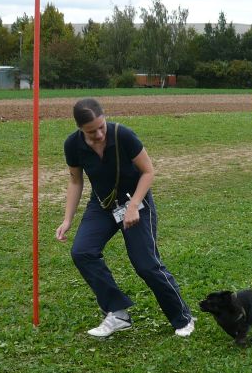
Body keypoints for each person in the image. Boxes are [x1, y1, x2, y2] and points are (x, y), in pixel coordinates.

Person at [55, 98, 194, 338]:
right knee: (82, 252)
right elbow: (76, 181)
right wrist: (67, 219)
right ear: (80, 128)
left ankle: (183, 317)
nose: (99, 134)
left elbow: (148, 172)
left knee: (146, 264)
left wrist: (134, 205)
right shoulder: (73, 145)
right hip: (102, 205)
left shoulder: (123, 135)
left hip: (136, 202)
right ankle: (117, 313)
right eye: (91, 131)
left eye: (101, 126)